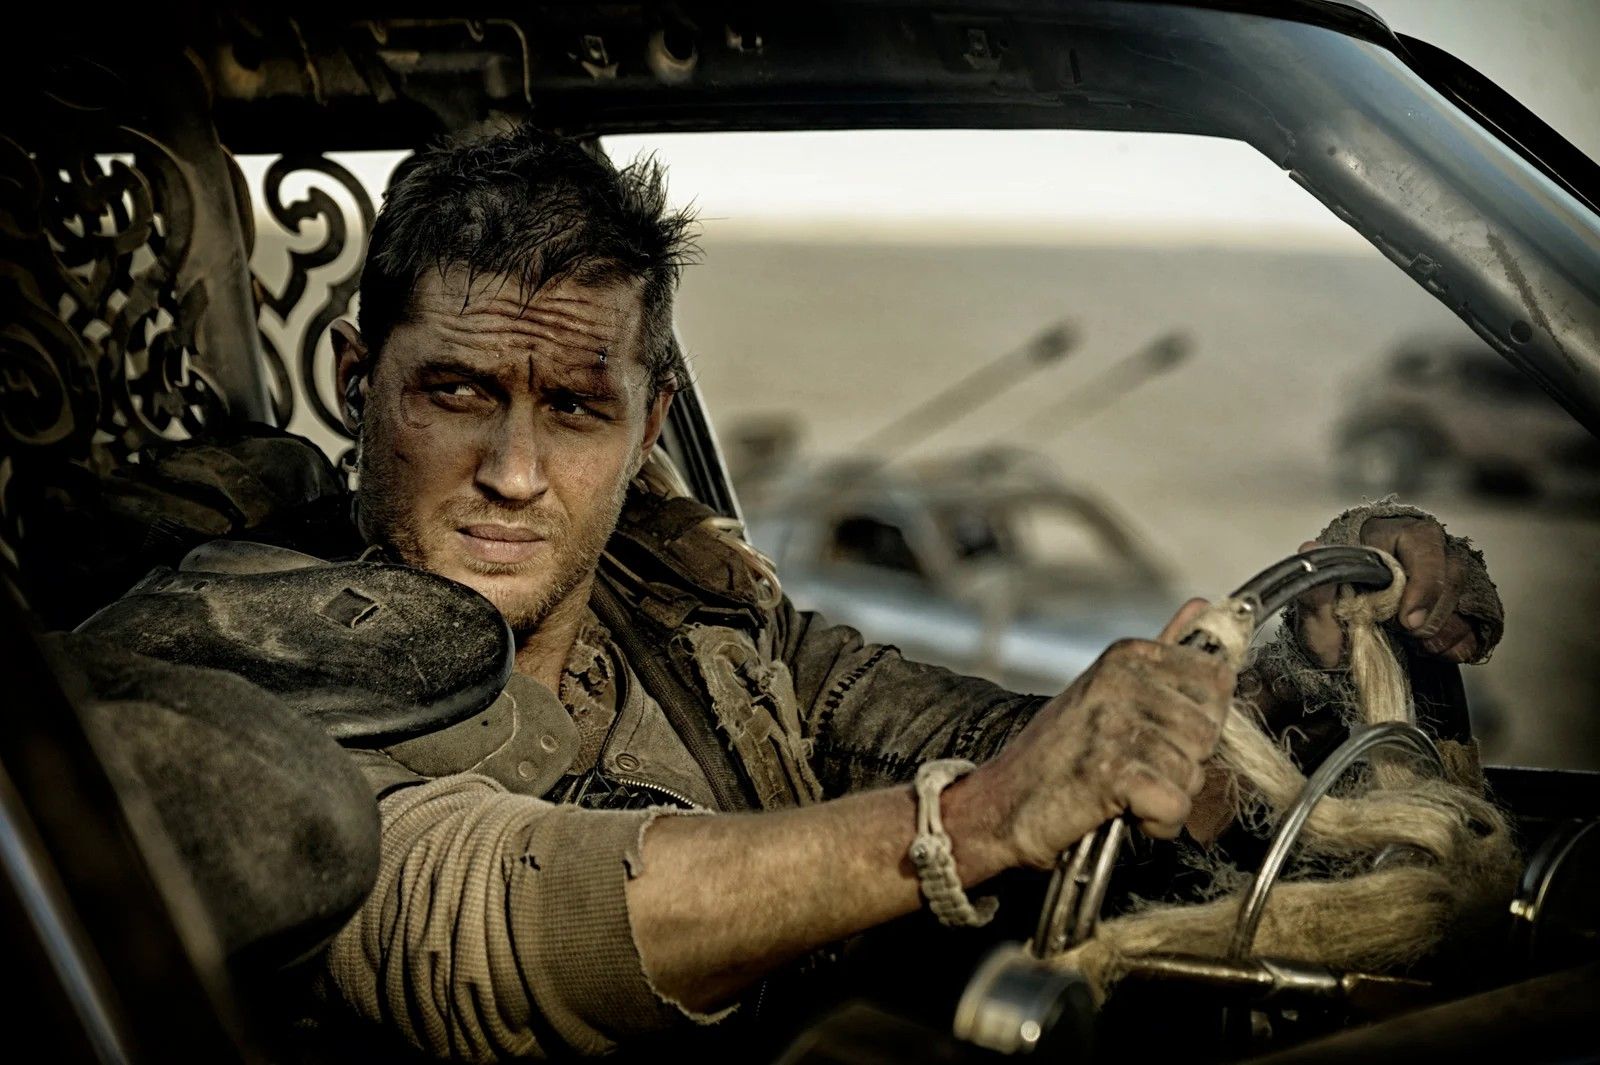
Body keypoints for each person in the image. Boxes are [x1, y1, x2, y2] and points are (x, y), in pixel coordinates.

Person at [153, 125, 1505, 1060]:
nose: (513, 472)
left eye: (573, 408)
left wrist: (1290, 671)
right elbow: (474, 922)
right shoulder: (239, 652)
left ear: (647, 423)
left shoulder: (691, 615)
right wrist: (969, 824)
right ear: (358, 381)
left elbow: (984, 739)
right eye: (456, 393)